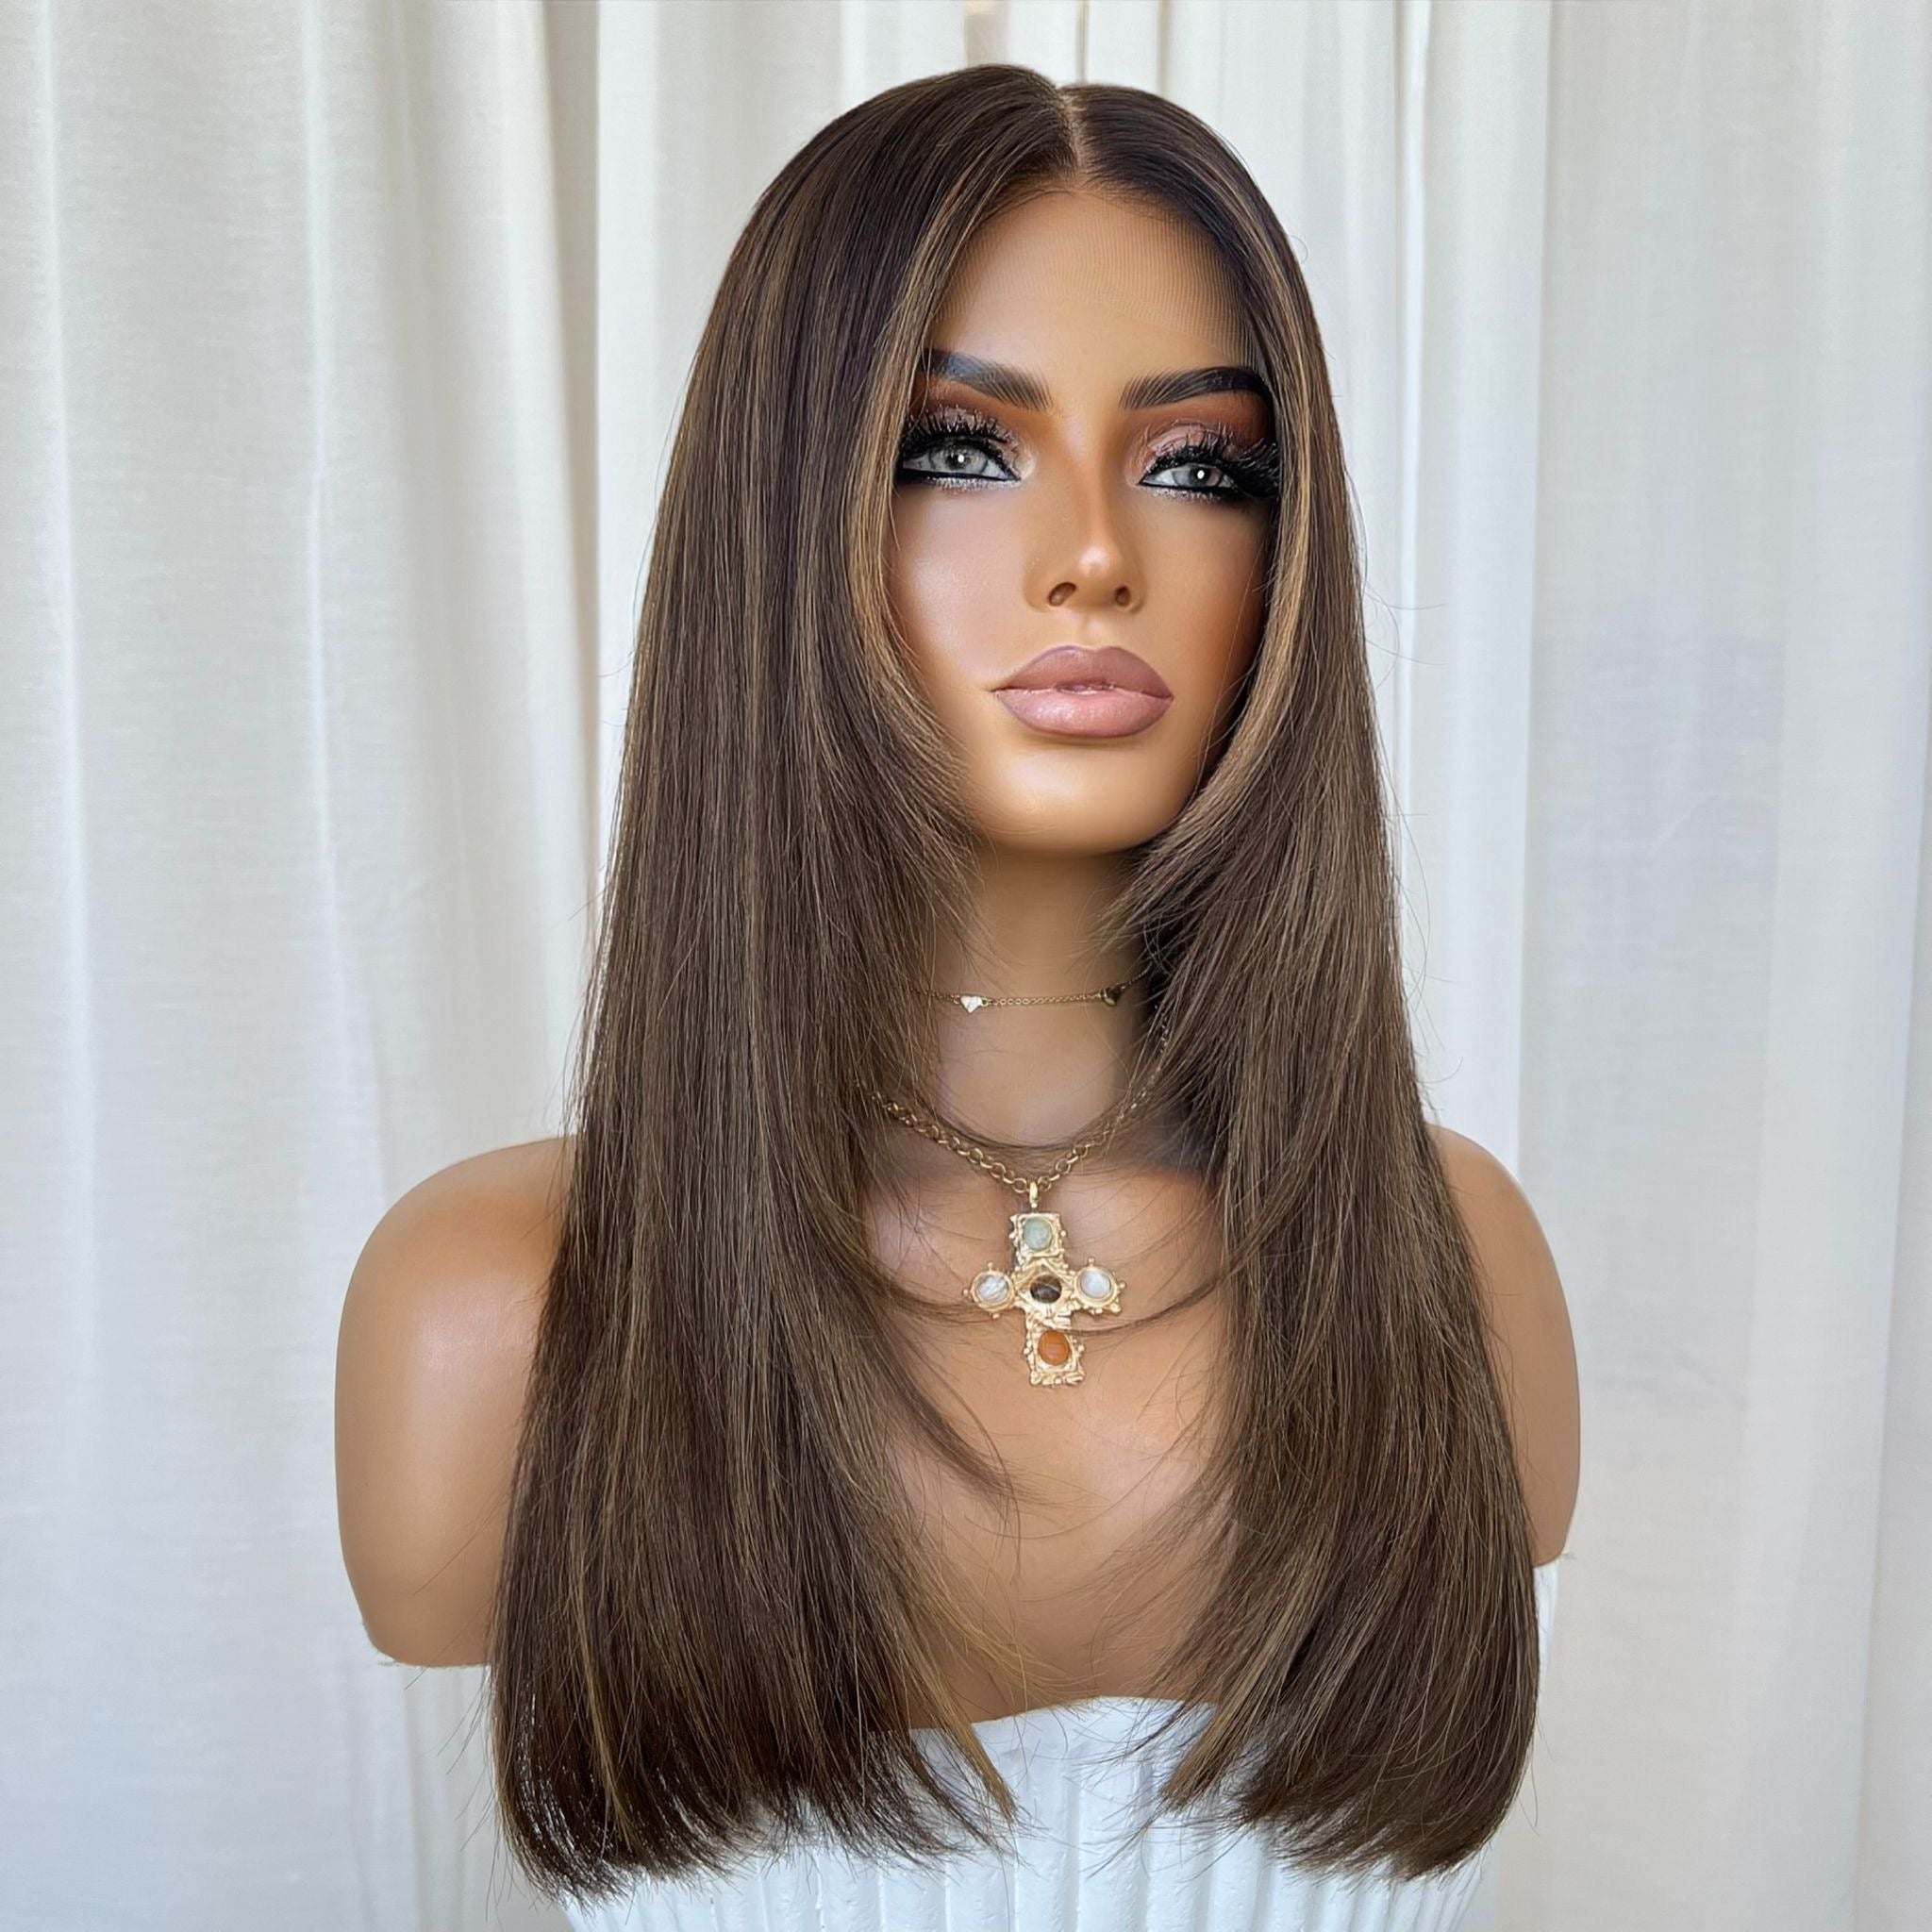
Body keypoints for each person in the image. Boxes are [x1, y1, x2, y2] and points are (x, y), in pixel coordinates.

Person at [335, 64, 1579, 1929]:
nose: (1096, 553)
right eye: (960, 447)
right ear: (784, 520)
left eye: (1199, 467)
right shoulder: (500, 1305)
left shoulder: (1446, 1263)